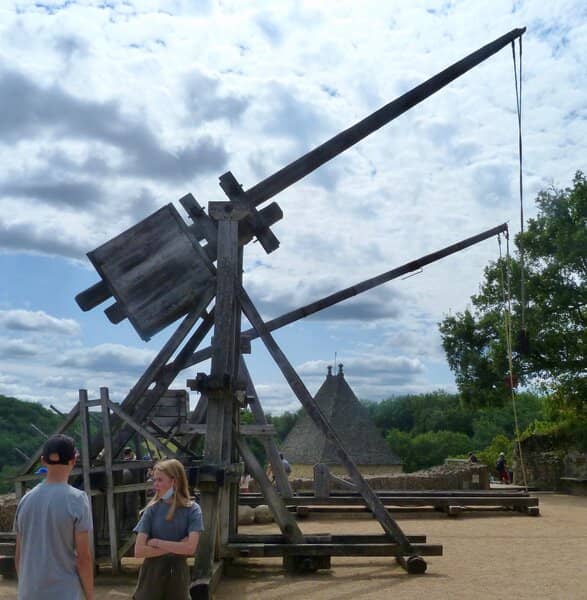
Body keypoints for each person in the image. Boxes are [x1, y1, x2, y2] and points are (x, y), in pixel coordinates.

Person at [14, 434, 94, 600]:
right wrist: (90, 596)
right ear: (73, 460)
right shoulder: (77, 499)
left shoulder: (25, 500)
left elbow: (19, 555)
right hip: (64, 592)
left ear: (43, 460)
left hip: (29, 592)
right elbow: (83, 558)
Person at [133, 458, 204, 600]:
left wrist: (157, 542)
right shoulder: (151, 510)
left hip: (178, 578)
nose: (155, 485)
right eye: (154, 480)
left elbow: (191, 548)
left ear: (174, 481)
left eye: (160, 480)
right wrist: (178, 546)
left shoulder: (193, 510)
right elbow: (139, 550)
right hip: (151, 578)